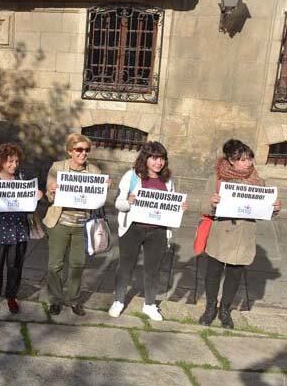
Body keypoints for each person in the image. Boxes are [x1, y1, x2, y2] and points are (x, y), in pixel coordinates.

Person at [199, 139, 281, 329]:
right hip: (221, 233)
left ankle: (225, 310)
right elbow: (201, 206)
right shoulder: (217, 179)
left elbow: (265, 211)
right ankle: (210, 307)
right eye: (243, 159)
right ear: (232, 160)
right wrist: (212, 202)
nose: (248, 163)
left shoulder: (258, 181)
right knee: (213, 273)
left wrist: (275, 208)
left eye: (250, 158)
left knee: (234, 275)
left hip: (244, 236)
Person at [109, 141, 186, 321]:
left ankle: (150, 304)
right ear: (146, 158)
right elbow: (119, 203)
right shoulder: (132, 176)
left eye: (162, 159)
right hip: (133, 229)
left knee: (153, 269)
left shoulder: (167, 180)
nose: (158, 162)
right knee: (125, 266)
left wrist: (179, 206)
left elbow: (169, 205)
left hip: (157, 231)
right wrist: (129, 200)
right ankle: (119, 300)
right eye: (154, 158)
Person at [45, 133, 107, 316]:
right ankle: (55, 299)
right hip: (60, 222)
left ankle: (72, 299)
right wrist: (51, 190)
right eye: (79, 149)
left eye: (86, 150)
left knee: (78, 264)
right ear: (70, 151)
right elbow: (49, 197)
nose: (83, 154)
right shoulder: (57, 167)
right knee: (54, 265)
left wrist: (104, 189)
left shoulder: (94, 171)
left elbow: (99, 201)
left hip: (83, 225)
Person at [0, 142, 40, 314]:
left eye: (16, 162)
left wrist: (38, 197)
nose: (14, 165)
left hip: (19, 232)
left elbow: (30, 205)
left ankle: (11, 296)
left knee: (15, 266)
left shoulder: (23, 179)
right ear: (0, 162)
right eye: (10, 162)